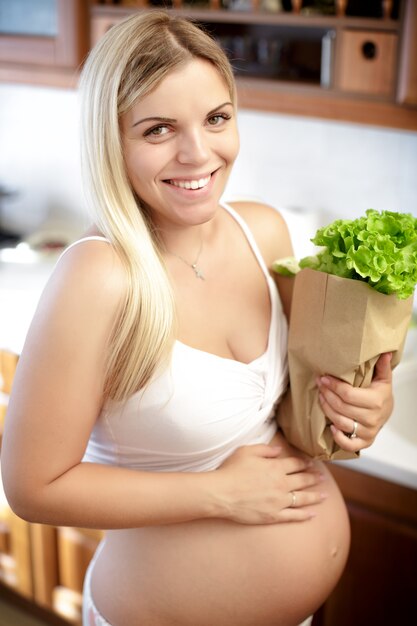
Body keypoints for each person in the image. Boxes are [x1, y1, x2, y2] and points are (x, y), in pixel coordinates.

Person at [1, 10, 394, 626]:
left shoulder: (262, 230)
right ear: (113, 139)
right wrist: (220, 495)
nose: (197, 153)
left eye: (216, 118)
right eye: (158, 129)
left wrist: (366, 407)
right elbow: (33, 488)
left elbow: (302, 403)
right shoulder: (99, 278)